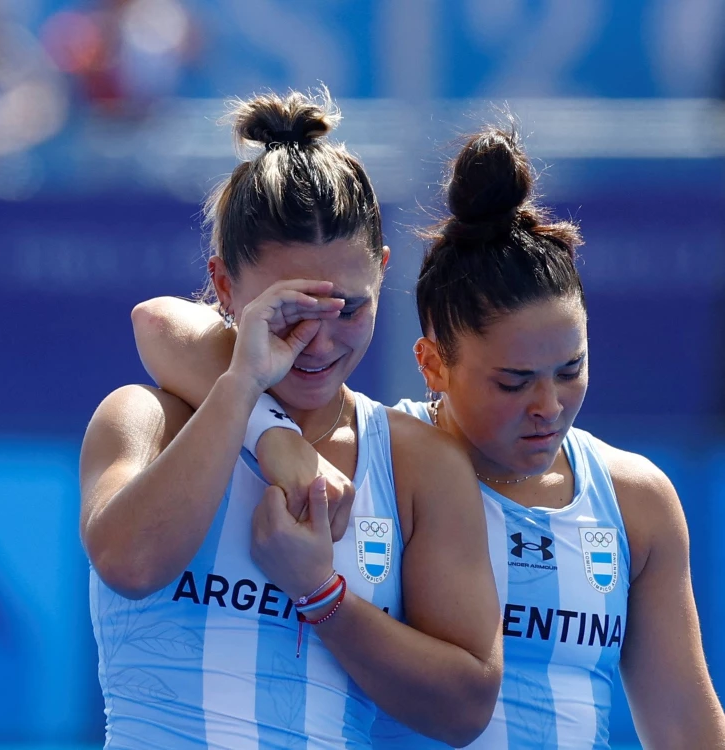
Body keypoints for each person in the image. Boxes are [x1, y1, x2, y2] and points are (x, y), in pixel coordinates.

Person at [132, 121, 725, 749]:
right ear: (432, 364)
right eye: (513, 381)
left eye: (570, 370)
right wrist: (279, 438)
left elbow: (688, 731)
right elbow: (162, 325)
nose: (547, 406)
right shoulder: (385, 455)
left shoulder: (634, 500)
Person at [80, 89, 502, 749]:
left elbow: (465, 709)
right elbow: (129, 565)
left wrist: (321, 595)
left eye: (349, 309)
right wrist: (249, 395)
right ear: (223, 286)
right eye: (291, 312)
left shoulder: (420, 462)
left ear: (384, 273)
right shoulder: (145, 418)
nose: (321, 342)